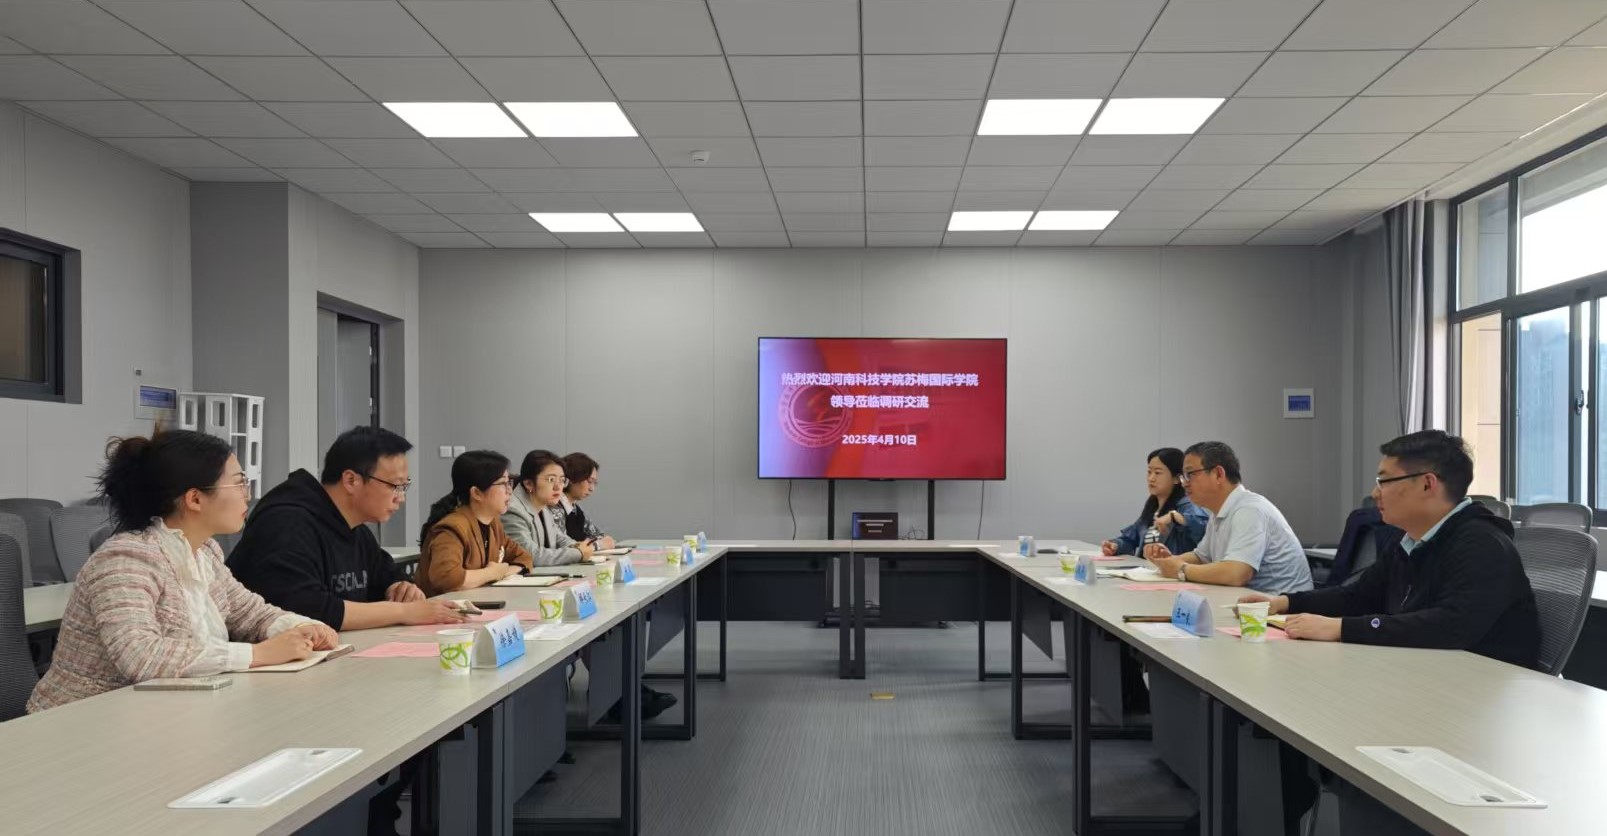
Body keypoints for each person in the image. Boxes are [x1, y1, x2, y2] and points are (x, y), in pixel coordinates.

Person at [29, 430, 338, 712]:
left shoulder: (204, 552)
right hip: (83, 722)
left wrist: (301, 626)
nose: (247, 493)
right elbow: (140, 656)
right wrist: (258, 654)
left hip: (164, 715)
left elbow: (250, 613)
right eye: (239, 482)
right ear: (195, 499)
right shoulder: (125, 560)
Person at [1239, 430, 1540, 668]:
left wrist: (1341, 629)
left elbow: (1451, 625)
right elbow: (1357, 596)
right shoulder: (1408, 540)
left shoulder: (1482, 544)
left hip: (1475, 685)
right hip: (1423, 670)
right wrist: (1284, 602)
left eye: (1384, 481)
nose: (1374, 493)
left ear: (1427, 484)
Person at [228, 426, 465, 630]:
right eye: (395, 486)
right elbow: (306, 608)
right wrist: (404, 612)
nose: (400, 498)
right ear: (351, 480)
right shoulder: (286, 524)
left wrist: (401, 588)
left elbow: (386, 574)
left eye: (405, 486)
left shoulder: (356, 529)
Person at [1143, 441, 1313, 595]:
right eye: (1183, 476)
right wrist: (1168, 561)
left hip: (1283, 610)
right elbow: (1202, 557)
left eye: (1190, 474)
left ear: (1218, 474)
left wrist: (1181, 570)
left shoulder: (1249, 510)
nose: (1184, 483)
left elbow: (1237, 573)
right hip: (1251, 604)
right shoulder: (1218, 511)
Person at [417, 450, 534, 597]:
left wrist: (502, 572)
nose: (509, 490)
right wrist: (491, 573)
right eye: (503, 483)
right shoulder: (452, 528)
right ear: (476, 493)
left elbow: (524, 557)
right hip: (442, 607)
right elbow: (446, 578)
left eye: (509, 482)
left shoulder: (493, 523)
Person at [1101, 448, 1209, 557]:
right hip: (1147, 566)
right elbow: (1131, 538)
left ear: (1177, 478)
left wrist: (1174, 517)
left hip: (1173, 567)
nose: (1151, 478)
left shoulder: (1188, 505)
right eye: (1149, 472)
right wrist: (1115, 545)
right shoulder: (1152, 507)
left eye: (1157, 473)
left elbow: (1203, 529)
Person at [503, 449, 596, 566]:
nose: (558, 487)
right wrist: (578, 553)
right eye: (551, 480)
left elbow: (559, 538)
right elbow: (529, 555)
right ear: (528, 483)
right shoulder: (512, 510)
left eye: (562, 480)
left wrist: (578, 546)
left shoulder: (543, 506)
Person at [559, 452, 616, 549]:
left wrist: (604, 541)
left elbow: (597, 535)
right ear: (572, 478)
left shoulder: (576, 510)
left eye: (595, 483)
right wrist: (598, 545)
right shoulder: (554, 508)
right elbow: (564, 548)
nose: (592, 489)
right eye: (589, 481)